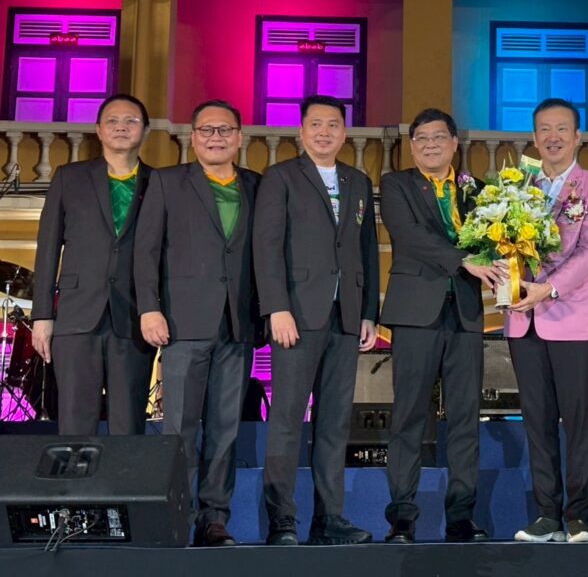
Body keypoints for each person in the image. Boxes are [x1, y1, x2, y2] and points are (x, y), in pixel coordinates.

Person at [134, 99, 262, 547]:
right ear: (193, 137)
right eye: (206, 130)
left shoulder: (257, 185)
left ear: (239, 138)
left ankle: (214, 519)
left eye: (225, 130)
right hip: (182, 322)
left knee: (225, 430)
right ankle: (175, 517)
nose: (215, 137)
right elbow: (146, 250)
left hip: (237, 324)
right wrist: (149, 307)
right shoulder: (168, 182)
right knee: (180, 429)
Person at [255, 94, 379, 546]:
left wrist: (368, 313)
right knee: (287, 421)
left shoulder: (358, 181)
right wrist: (276, 307)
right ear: (301, 131)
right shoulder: (281, 176)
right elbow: (266, 246)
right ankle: (282, 519)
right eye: (316, 124)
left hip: (345, 317)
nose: (324, 132)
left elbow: (367, 251)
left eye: (333, 125)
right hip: (297, 316)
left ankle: (329, 519)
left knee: (334, 423)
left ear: (344, 133)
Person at [379, 107, 504, 544]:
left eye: (438, 137)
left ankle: (461, 516)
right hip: (415, 313)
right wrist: (463, 259)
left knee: (466, 418)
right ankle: (402, 518)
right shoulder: (396, 185)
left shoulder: (479, 190)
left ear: (454, 144)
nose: (429, 145)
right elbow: (409, 235)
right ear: (412, 146)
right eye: (421, 139)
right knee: (409, 416)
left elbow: (492, 243)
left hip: (466, 313)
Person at [506, 97, 588, 543]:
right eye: (544, 130)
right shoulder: (518, 185)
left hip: (573, 319)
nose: (553, 137)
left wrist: (547, 289)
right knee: (537, 422)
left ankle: (579, 516)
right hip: (522, 322)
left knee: (578, 422)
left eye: (562, 129)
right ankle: (546, 515)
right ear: (534, 138)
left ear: (577, 137)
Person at [32, 93, 154, 435]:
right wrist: (42, 315)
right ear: (99, 130)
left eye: (131, 121)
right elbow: (48, 248)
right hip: (76, 315)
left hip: (133, 317)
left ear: (145, 130)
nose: (121, 127)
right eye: (112, 121)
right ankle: (76, 473)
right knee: (75, 421)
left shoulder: (159, 182)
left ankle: (123, 473)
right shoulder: (68, 178)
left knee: (128, 424)